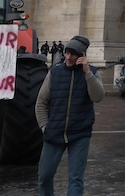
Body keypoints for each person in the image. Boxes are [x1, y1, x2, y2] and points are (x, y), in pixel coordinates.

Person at [36, 34, 104, 196]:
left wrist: (87, 73)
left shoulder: (93, 72)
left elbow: (98, 96)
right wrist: (45, 126)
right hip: (54, 132)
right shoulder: (55, 72)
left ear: (82, 56)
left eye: (73, 54)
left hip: (80, 134)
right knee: (44, 176)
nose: (68, 57)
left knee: (75, 179)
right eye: (67, 53)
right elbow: (41, 102)